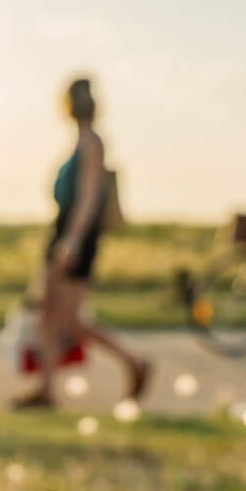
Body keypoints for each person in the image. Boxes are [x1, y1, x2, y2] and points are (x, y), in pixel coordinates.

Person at [14, 77, 151, 407]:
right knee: (48, 316)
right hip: (64, 232)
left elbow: (89, 198)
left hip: (76, 237)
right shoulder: (80, 142)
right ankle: (46, 391)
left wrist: (72, 242)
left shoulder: (92, 143)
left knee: (69, 320)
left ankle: (134, 362)